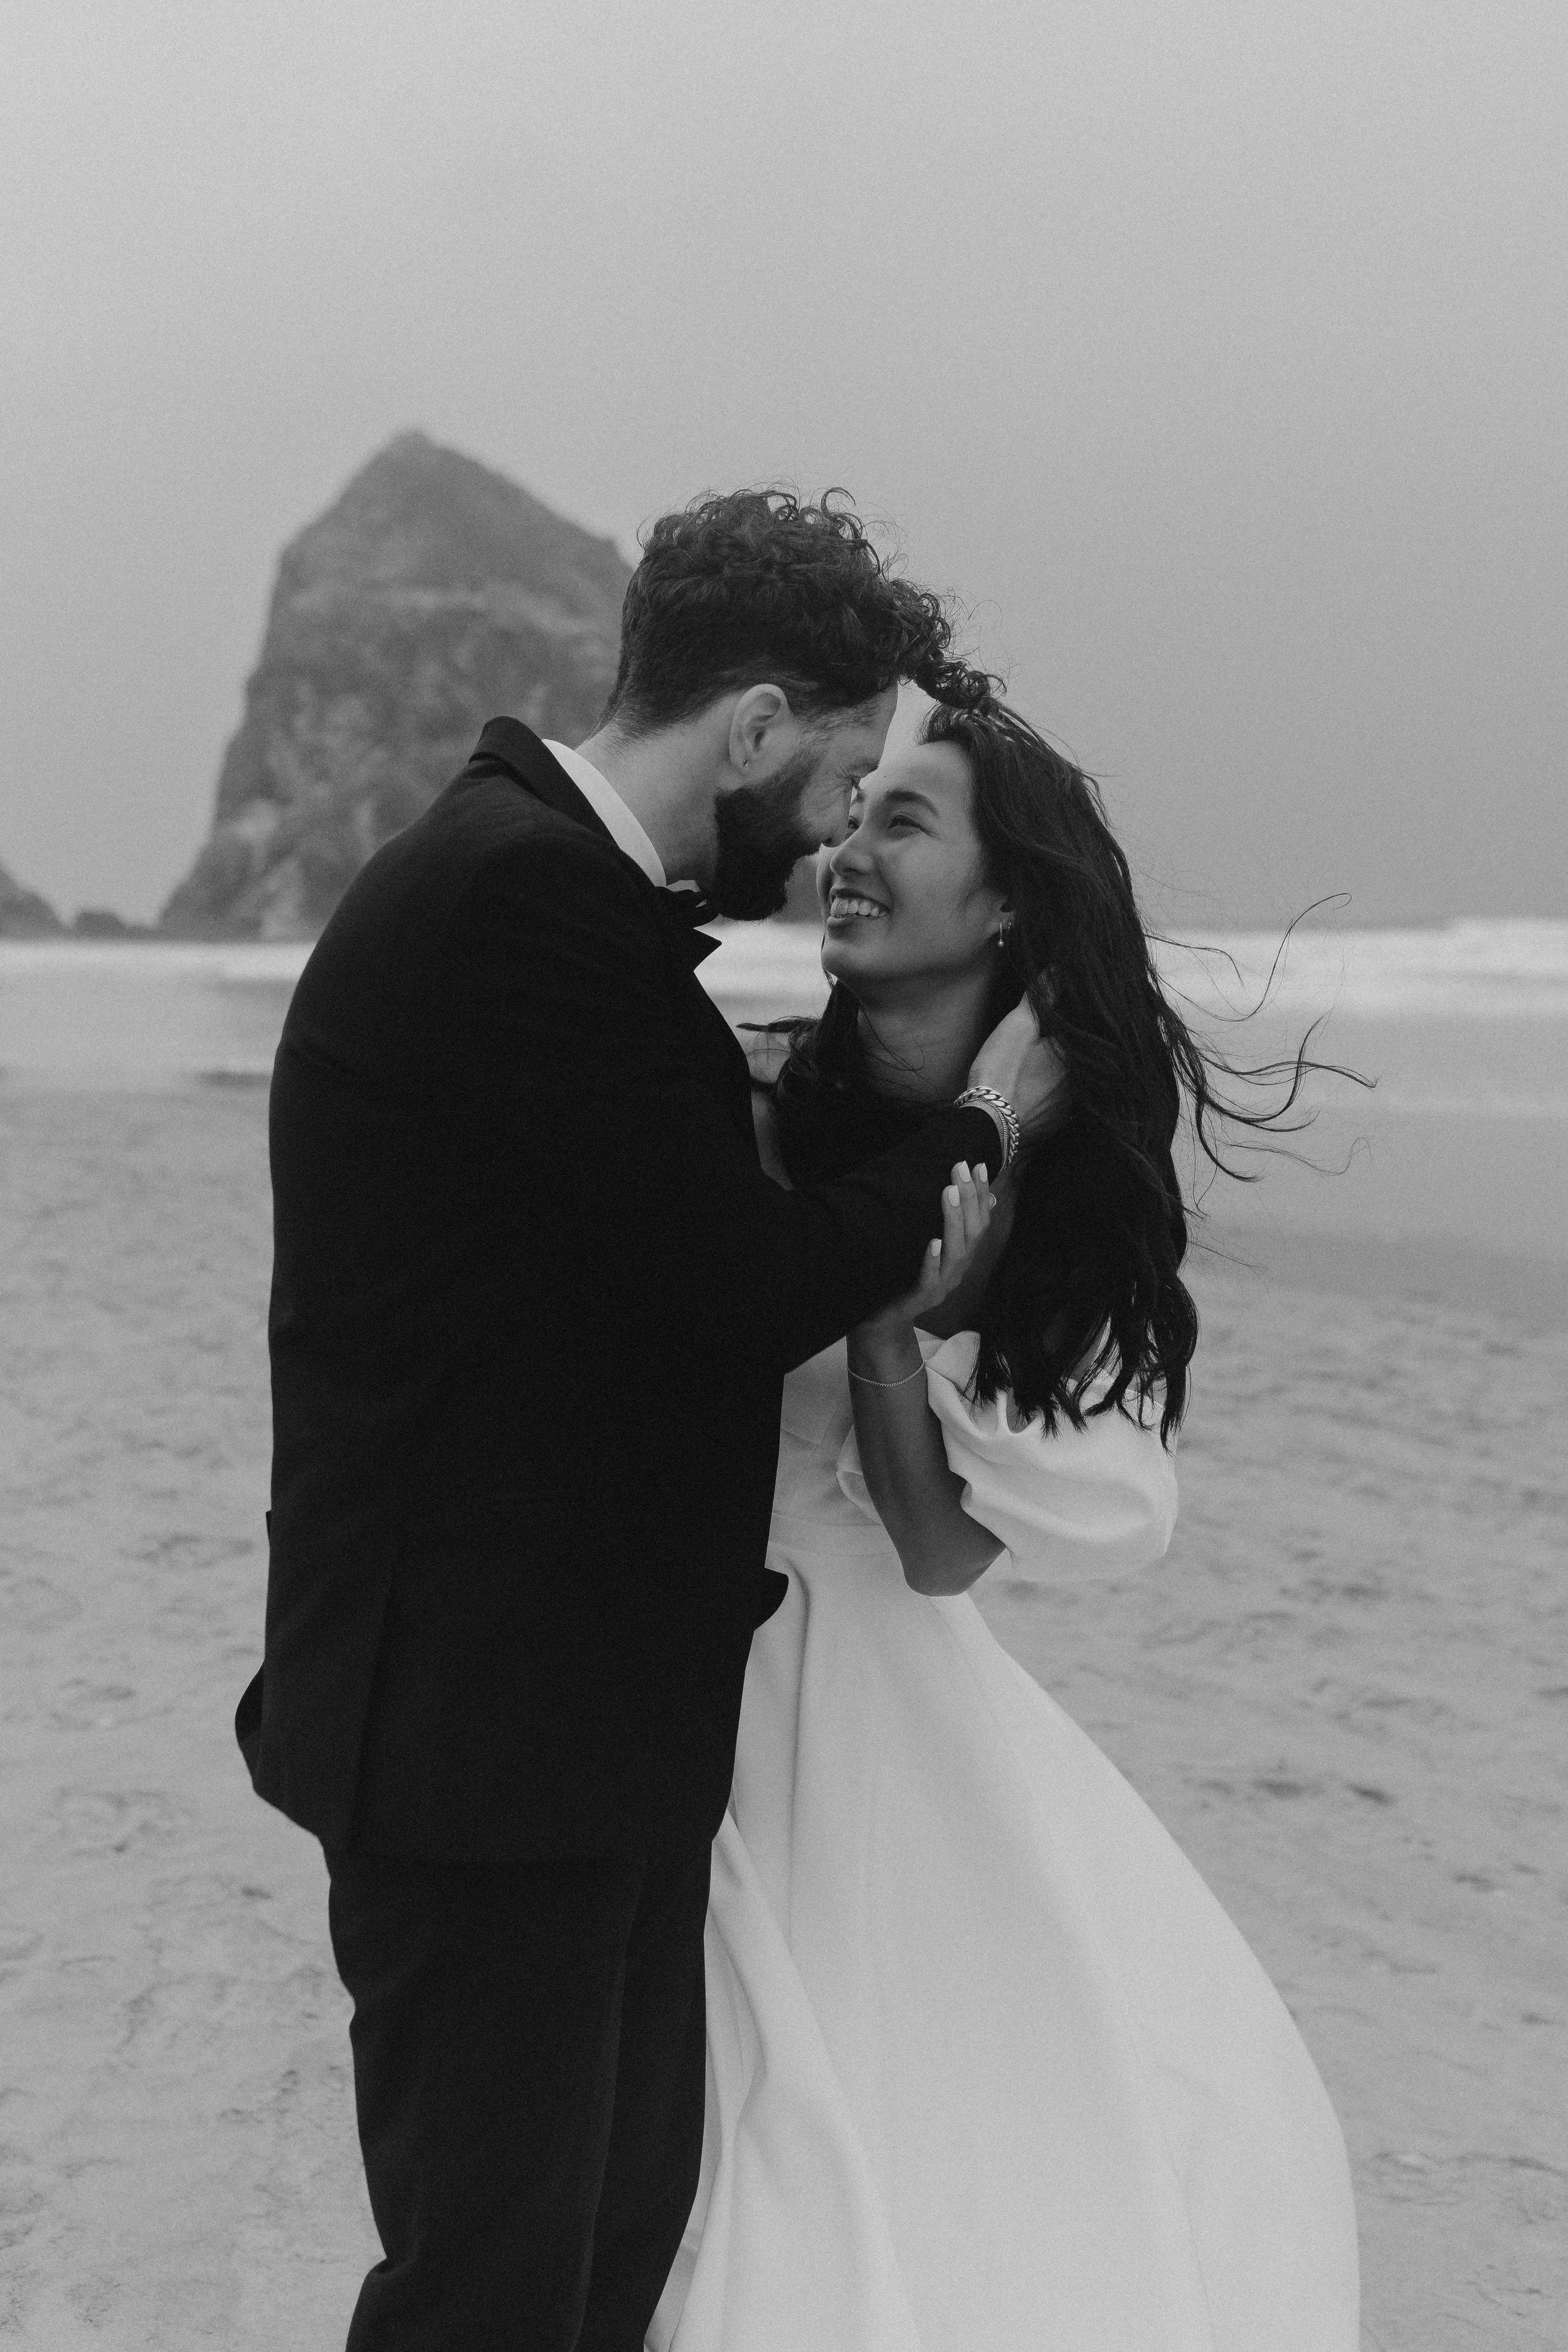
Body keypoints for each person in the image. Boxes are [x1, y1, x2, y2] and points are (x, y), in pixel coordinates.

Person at [233, 489, 1064, 2351]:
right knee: (496, 2293)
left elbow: (639, 1252)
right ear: (756, 728)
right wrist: (983, 1120)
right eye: (842, 773)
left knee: (598, 2264)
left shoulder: (543, 898)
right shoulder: (524, 902)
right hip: (482, 1745)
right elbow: (740, 1283)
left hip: (558, 1735)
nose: (841, 821)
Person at [649, 701, 1361, 2351]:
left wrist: (897, 1315)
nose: (846, 848)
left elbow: (939, 1547)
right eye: (856, 812)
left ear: (1004, 909)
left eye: (903, 824)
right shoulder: (737, 1089)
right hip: (677, 1642)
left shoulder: (1060, 1206)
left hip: (865, 1682)